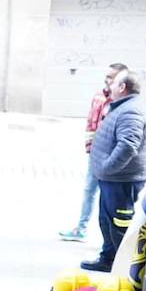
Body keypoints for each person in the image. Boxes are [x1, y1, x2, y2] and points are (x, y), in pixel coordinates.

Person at [82, 68, 146, 273]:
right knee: (107, 220)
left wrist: (107, 168)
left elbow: (128, 146)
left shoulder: (131, 111)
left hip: (121, 182)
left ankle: (122, 267)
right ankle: (108, 258)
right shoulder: (123, 106)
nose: (109, 86)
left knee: (119, 224)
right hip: (114, 179)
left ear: (122, 87)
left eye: (113, 83)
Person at [60, 63, 125, 241]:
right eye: (107, 75)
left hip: (109, 157)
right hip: (95, 153)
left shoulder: (120, 103)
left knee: (108, 196)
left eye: (112, 77)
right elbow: (91, 123)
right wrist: (89, 146)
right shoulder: (98, 97)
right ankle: (81, 228)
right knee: (89, 189)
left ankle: (110, 239)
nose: (107, 79)